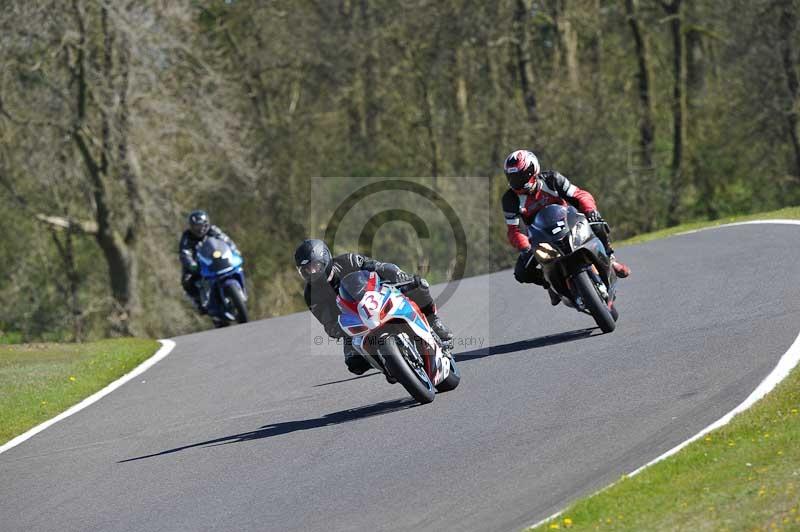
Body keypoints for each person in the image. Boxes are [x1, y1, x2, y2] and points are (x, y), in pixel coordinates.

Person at [294, 239, 453, 377]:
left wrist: (399, 276)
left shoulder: (348, 260)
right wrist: (336, 329)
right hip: (353, 320)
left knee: (418, 286)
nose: (312, 272)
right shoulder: (311, 294)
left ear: (326, 259)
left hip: (377, 296)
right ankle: (389, 364)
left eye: (315, 266)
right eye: (306, 270)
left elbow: (378, 267)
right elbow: (326, 321)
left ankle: (434, 322)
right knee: (354, 364)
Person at [501, 149, 631, 305]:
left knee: (597, 225)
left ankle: (611, 260)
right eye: (513, 178)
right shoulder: (510, 199)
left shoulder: (552, 179)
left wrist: (590, 211)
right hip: (540, 238)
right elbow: (514, 230)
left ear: (533, 170)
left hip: (569, 223)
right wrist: (525, 248)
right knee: (522, 273)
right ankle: (549, 284)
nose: (517, 182)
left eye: (521, 176)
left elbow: (580, 195)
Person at [178, 210, 238, 313]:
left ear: (207, 224)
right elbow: (184, 252)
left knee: (237, 266)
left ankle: (238, 291)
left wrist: (233, 249)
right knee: (187, 280)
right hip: (199, 265)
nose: (200, 229)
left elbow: (226, 240)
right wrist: (191, 264)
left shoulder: (213, 230)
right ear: (191, 227)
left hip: (217, 259)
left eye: (202, 225)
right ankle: (199, 302)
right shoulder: (187, 237)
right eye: (196, 226)